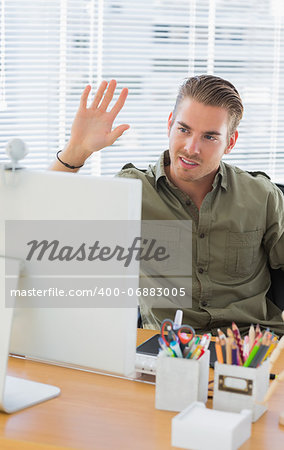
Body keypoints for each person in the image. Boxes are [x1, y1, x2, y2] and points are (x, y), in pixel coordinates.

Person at [51, 76, 284, 336]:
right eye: (184, 130)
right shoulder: (132, 192)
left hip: (254, 347)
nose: (191, 148)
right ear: (170, 125)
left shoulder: (261, 196)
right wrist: (75, 151)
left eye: (209, 137)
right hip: (168, 351)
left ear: (230, 142)